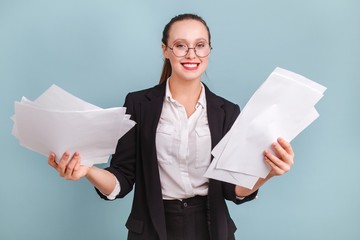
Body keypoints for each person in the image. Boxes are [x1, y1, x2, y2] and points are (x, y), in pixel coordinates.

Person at [48, 13, 294, 240]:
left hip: (211, 229)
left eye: (200, 45)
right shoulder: (138, 104)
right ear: (165, 50)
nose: (191, 54)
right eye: (180, 46)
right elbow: (122, 179)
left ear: (209, 50)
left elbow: (232, 189)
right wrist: (87, 170)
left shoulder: (227, 111)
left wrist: (268, 172)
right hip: (152, 228)